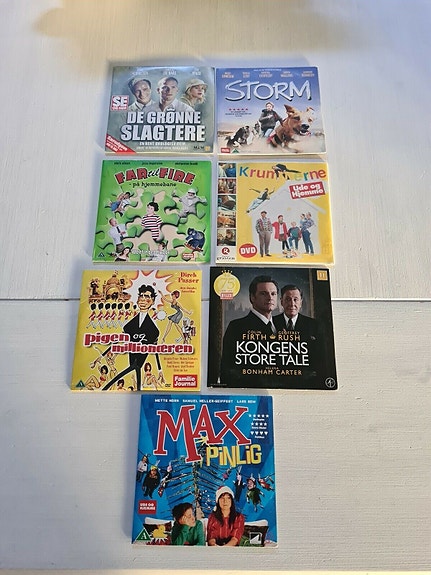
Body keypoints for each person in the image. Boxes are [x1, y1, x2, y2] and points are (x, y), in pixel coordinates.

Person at [219, 275, 279, 387]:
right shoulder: (236, 327)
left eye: (273, 294)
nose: (270, 298)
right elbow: (228, 372)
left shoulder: (283, 325)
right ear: (252, 297)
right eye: (263, 293)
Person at [100, 284, 161, 391]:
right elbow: (119, 339)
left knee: (136, 382)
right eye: (141, 296)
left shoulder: (153, 329)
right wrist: (102, 356)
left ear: (152, 301)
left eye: (147, 297)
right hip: (132, 361)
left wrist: (159, 370)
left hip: (139, 362)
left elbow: (155, 349)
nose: (143, 299)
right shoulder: (129, 325)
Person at [273, 284, 327, 387]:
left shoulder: (314, 325)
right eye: (288, 299)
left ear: (301, 302)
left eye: (295, 299)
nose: (292, 304)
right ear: (281, 301)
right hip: (277, 381)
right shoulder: (271, 323)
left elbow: (321, 359)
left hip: (307, 381)